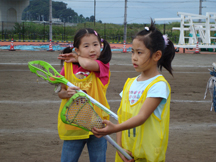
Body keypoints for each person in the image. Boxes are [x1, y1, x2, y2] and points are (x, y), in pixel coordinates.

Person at [92, 19, 175, 162]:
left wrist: (114, 128)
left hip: (147, 156)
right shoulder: (129, 83)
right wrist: (119, 149)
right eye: (132, 52)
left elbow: (141, 117)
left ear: (156, 55)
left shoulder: (159, 85)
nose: (134, 58)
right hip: (126, 154)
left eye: (139, 52)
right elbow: (122, 117)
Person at [57, 28, 112, 162]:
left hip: (97, 124)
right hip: (74, 124)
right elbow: (60, 92)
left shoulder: (102, 65)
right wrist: (67, 93)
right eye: (86, 46)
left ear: (101, 46)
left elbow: (87, 64)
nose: (92, 49)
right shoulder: (68, 66)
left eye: (95, 44)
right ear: (77, 49)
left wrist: (77, 57)